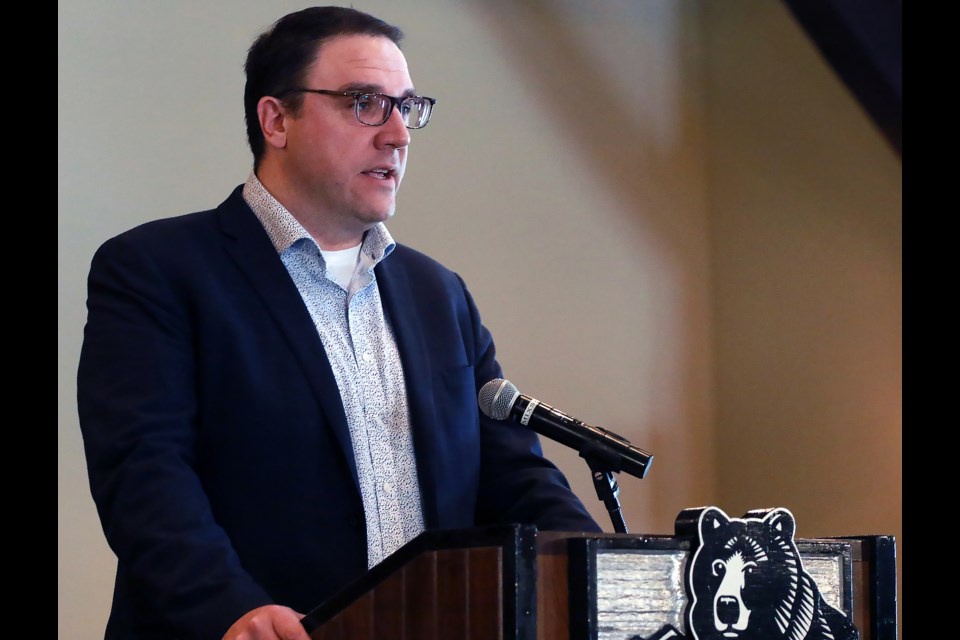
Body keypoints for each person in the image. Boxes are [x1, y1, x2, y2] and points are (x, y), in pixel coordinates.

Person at [77, 6, 601, 640]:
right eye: (363, 103)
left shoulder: (439, 295)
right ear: (276, 120)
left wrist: (600, 573)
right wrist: (229, 607)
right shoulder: (158, 271)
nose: (397, 135)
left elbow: (513, 475)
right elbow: (143, 473)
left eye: (406, 107)